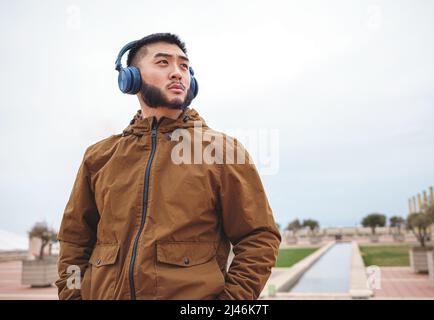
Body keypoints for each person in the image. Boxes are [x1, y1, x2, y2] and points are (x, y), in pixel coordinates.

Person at [56, 33, 281, 300]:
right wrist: (72, 296)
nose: (177, 73)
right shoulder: (98, 157)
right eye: (163, 63)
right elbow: (74, 241)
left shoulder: (222, 151)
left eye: (184, 66)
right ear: (131, 78)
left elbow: (259, 238)